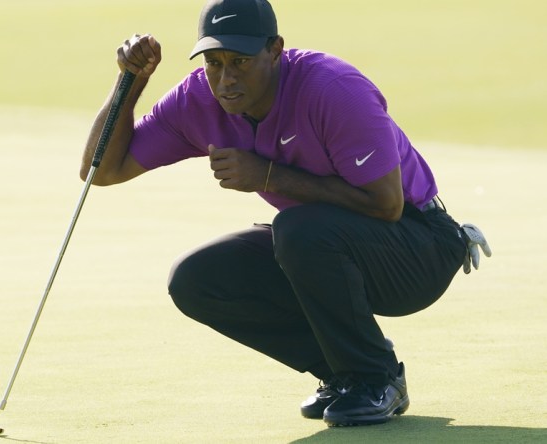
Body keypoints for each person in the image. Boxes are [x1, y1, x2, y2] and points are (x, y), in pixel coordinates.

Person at [80, 0, 492, 427]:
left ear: (275, 49)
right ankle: (345, 374)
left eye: (240, 61)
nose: (225, 78)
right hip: (321, 243)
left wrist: (270, 175)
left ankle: (375, 379)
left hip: (418, 247)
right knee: (197, 278)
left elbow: (387, 205)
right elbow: (102, 170)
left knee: (298, 229)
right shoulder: (197, 99)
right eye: (214, 62)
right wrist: (130, 81)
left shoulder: (333, 88)